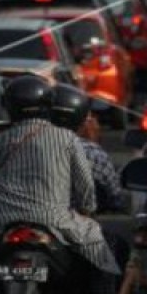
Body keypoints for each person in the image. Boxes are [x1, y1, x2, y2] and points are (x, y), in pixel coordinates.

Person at [0, 76, 120, 294]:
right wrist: (87, 212)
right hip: (54, 219)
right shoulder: (67, 139)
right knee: (100, 244)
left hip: (4, 220)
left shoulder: (2, 139)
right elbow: (85, 185)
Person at [50, 85, 124, 214]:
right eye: (90, 118)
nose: (95, 123)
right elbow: (113, 195)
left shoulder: (16, 143)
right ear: (82, 120)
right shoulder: (92, 153)